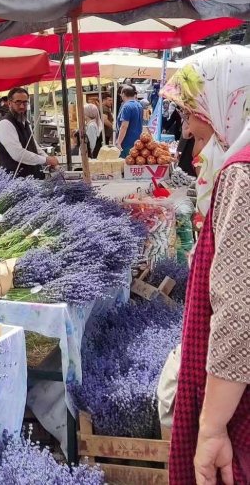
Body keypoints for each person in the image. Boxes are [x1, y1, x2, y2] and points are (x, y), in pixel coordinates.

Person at [160, 45, 250, 484]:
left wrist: (212, 428)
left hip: (240, 403)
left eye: (194, 108)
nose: (189, 123)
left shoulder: (242, 173)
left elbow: (238, 313)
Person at [0, 86, 59, 178]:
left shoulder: (25, 122)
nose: (22, 106)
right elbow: (18, 154)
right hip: (16, 181)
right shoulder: (5, 124)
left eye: (25, 102)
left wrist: (48, 160)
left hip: (33, 179)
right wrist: (45, 160)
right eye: (18, 102)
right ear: (9, 103)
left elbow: (34, 147)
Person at [114, 84, 144, 158]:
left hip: (126, 142)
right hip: (137, 142)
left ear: (123, 94)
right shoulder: (139, 105)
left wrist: (118, 142)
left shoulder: (126, 106)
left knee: (126, 166)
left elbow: (124, 126)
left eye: (121, 94)